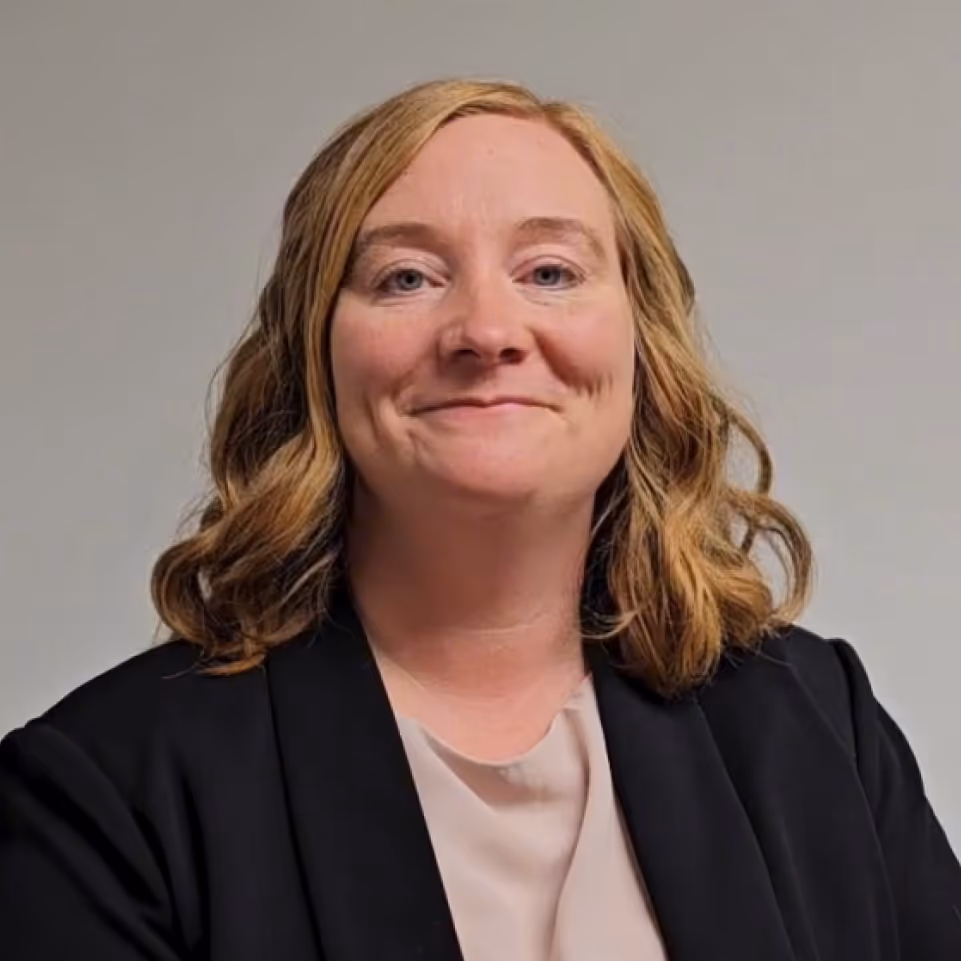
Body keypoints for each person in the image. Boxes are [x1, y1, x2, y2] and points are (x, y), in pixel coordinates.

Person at [1, 77, 958, 961]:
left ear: (642, 344)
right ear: (313, 359)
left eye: (549, 271)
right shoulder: (103, 792)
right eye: (406, 278)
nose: (487, 333)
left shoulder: (815, 721)